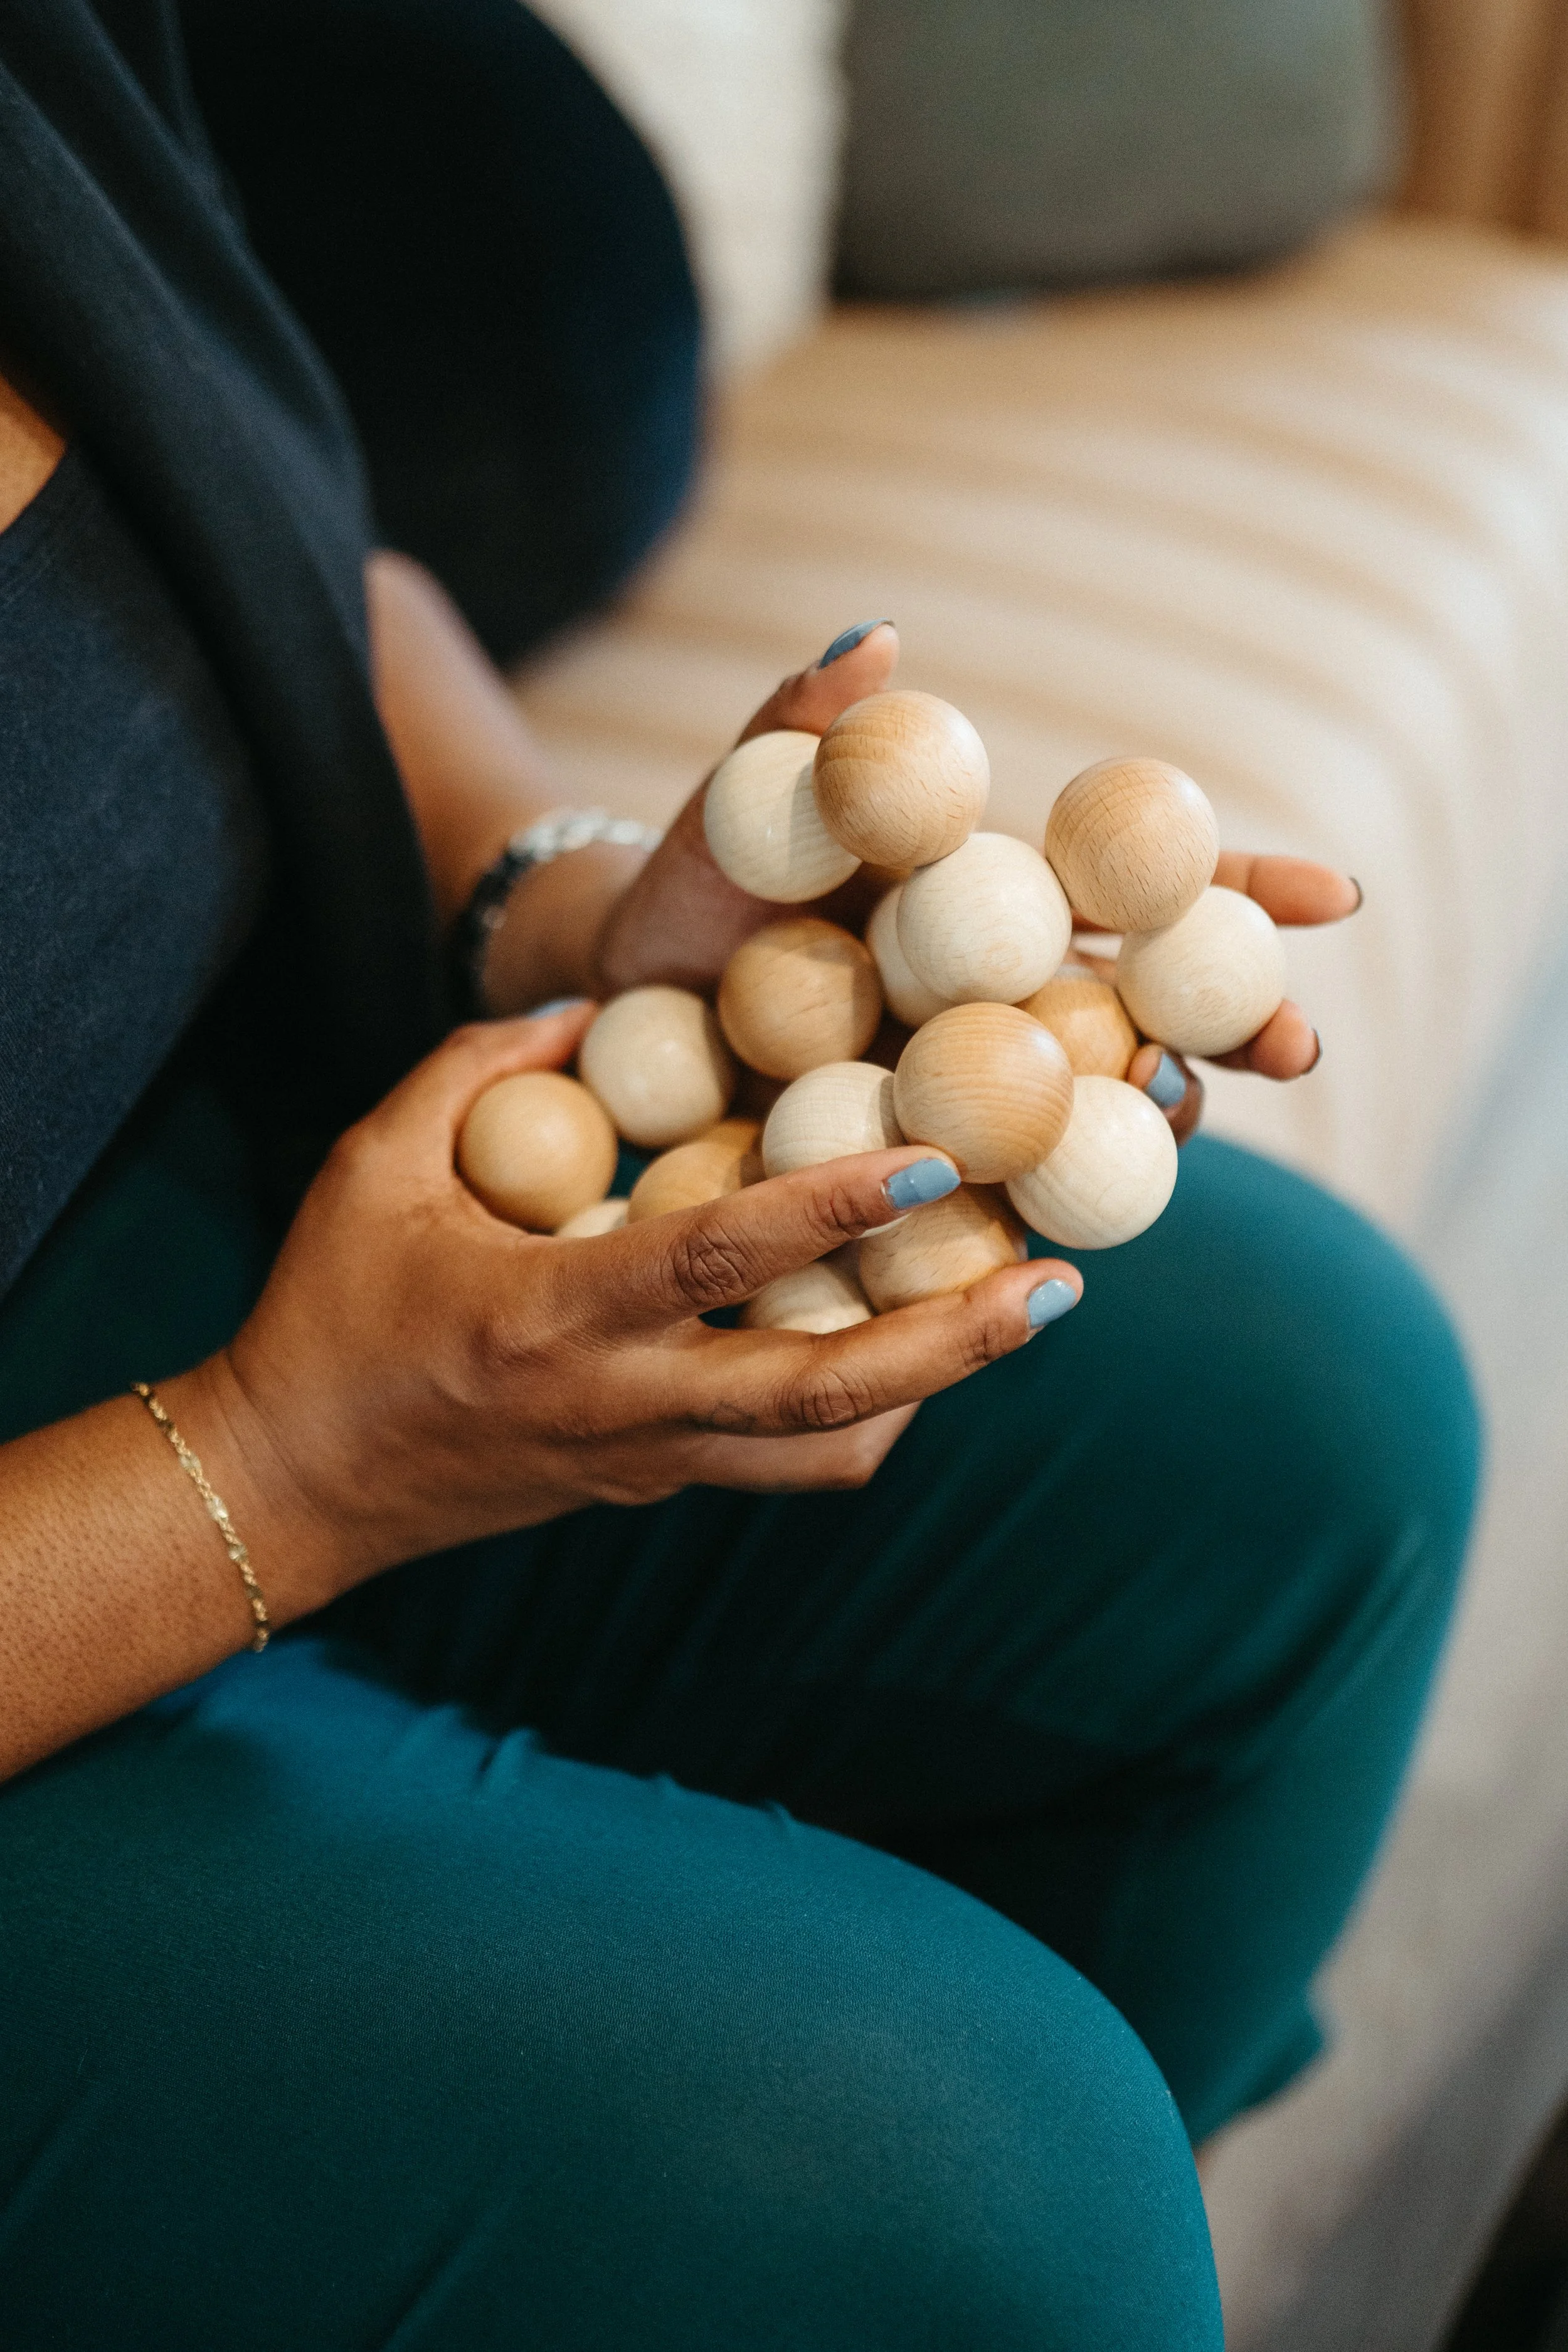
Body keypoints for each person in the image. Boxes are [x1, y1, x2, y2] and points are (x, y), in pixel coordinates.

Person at [0, 4, 1480, 2346]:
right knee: (972, 2197)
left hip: (208, 1151)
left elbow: (265, 535)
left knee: (1313, 1424)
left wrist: (576, 917)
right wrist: (293, 1467)